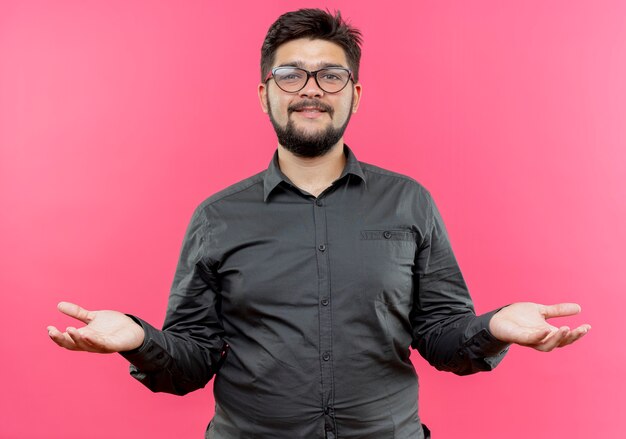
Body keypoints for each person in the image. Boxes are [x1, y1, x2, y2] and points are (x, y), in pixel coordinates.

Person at [47, 9, 591, 439]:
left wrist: (494, 326)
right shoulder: (216, 217)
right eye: (290, 75)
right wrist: (138, 338)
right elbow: (190, 361)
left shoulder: (409, 202)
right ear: (265, 96)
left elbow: (442, 338)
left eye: (331, 76)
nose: (311, 89)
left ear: (355, 94)